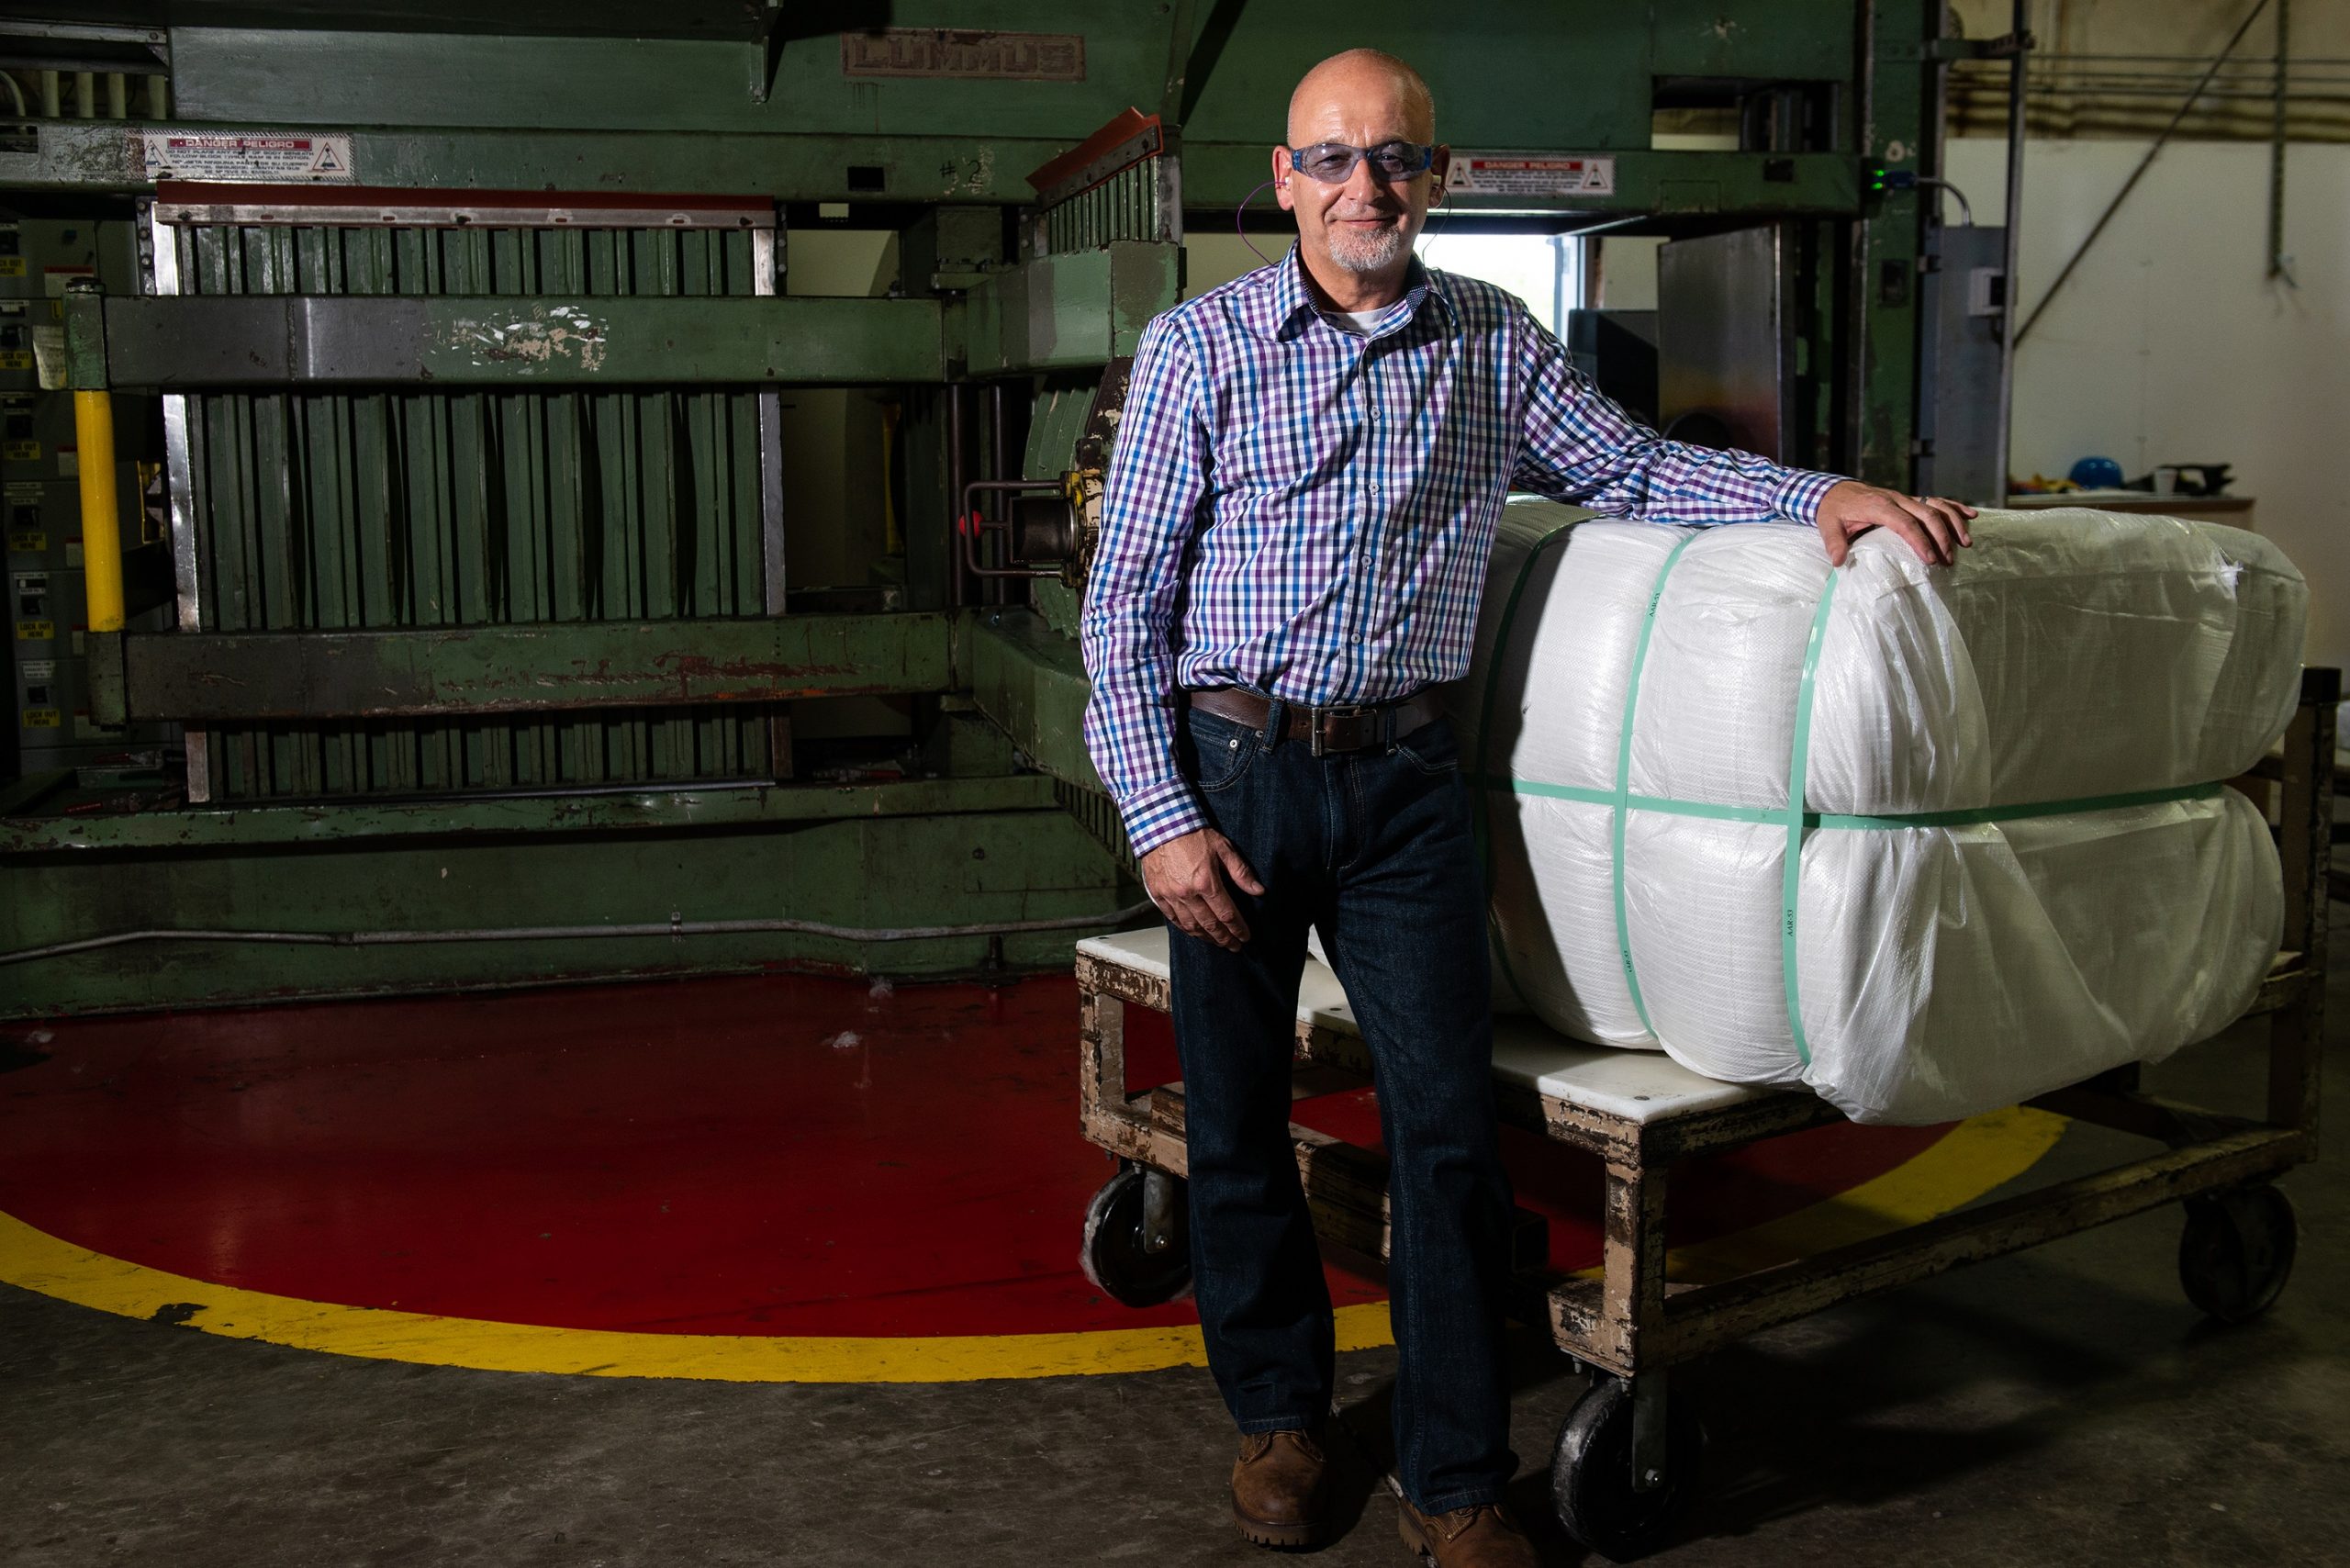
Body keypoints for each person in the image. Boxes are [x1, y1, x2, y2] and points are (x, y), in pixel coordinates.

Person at [1079, 47, 1977, 1567]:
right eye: (1337, 157)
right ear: (1286, 177)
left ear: (1439, 176)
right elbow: (1124, 613)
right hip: (1232, 774)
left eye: (1400, 159)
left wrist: (1817, 496)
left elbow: (1626, 465)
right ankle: (1282, 1419)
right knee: (1236, 1121)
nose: (1369, 185)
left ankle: (1454, 1481)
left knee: (1445, 1139)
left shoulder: (1491, 342)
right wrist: (1161, 817)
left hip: (1408, 788)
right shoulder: (1200, 350)